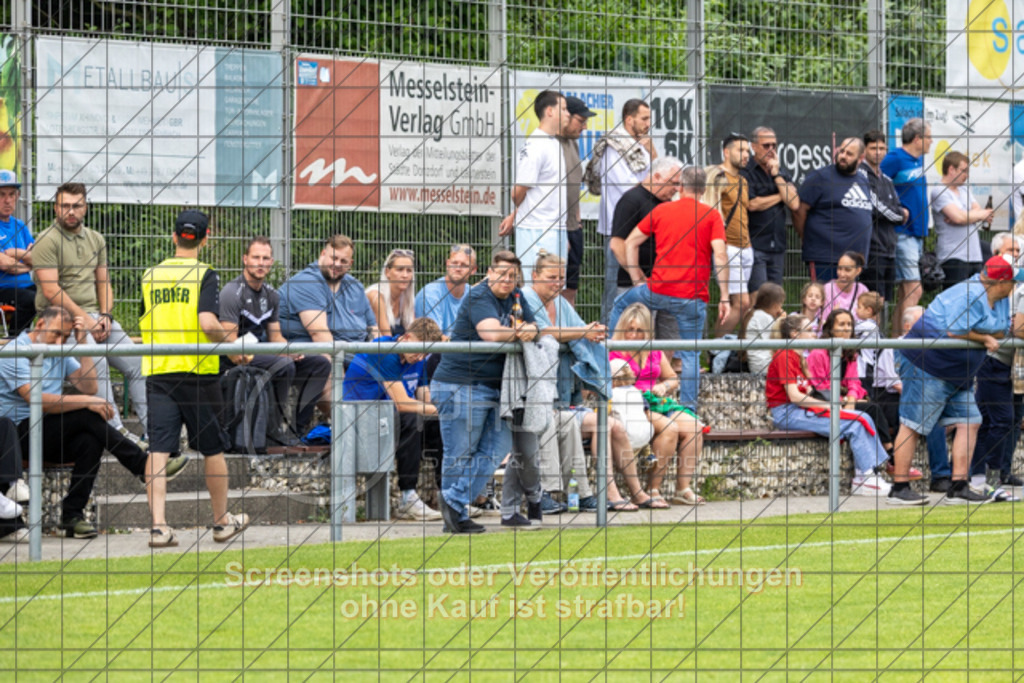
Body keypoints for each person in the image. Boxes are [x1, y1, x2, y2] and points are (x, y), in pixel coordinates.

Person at [0, 306, 168, 539]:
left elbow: (89, 386)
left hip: (47, 431)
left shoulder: (58, 350)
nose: (60, 342)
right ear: (40, 325)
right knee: (87, 415)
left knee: (90, 440)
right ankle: (142, 465)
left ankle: (72, 515)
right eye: (56, 334)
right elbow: (36, 399)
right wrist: (88, 402)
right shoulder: (16, 351)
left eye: (65, 336)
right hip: (15, 438)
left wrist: (82, 343)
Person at [141, 210, 249, 547]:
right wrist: (232, 344)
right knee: (212, 448)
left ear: (174, 237)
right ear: (206, 239)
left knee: (159, 449)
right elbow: (207, 323)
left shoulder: (150, 275)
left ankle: (159, 527)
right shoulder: (205, 274)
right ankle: (221, 522)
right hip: (197, 373)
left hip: (159, 371)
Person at [522, 250, 660, 512]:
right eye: (551, 277)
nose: (557, 283)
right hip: (537, 397)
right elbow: (543, 333)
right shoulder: (526, 298)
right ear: (534, 276)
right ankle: (607, 494)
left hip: (563, 398)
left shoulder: (561, 303)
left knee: (614, 426)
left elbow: (579, 331)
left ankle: (636, 492)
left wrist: (592, 332)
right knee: (601, 424)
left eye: (561, 278)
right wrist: (583, 333)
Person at [888, 254, 1020, 506]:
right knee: (913, 424)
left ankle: (959, 487)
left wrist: (979, 332)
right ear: (1001, 282)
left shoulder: (1000, 299)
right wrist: (984, 337)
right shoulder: (969, 294)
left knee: (971, 421)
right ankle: (899, 488)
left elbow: (1002, 330)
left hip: (958, 373)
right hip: (927, 364)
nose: (1015, 285)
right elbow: (954, 330)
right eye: (1013, 281)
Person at [430, 251, 539, 534]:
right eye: (501, 273)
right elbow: (490, 333)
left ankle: (454, 501)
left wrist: (529, 328)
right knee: (459, 453)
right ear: (489, 273)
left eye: (512, 276)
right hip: (460, 384)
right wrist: (521, 331)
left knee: (498, 447)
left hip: (494, 389)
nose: (507, 279)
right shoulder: (479, 296)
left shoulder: (516, 297)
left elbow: (534, 325)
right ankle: (455, 517)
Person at [31, 182, 147, 443]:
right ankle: (118, 434)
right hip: (61, 320)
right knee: (97, 363)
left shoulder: (96, 238)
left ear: (85, 208)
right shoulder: (46, 240)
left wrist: (105, 316)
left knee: (139, 363)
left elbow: (104, 282)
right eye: (65, 206)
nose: (71, 211)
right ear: (55, 208)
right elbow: (50, 290)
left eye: (77, 206)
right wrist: (84, 320)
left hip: (97, 318)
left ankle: (156, 433)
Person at [612, 165, 729, 411]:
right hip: (692, 297)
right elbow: (720, 255)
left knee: (620, 304)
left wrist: (636, 276)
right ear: (704, 189)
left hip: (657, 290)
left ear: (681, 186)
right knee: (690, 354)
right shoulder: (712, 216)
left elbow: (630, 242)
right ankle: (689, 411)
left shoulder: (662, 210)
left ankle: (611, 354)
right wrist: (725, 297)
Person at [219, 236, 330, 444]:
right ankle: (274, 431)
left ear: (271, 262)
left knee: (320, 364)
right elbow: (230, 343)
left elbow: (275, 336)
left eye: (265, 258)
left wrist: (290, 349)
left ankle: (296, 430)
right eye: (256, 257)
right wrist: (281, 355)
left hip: (261, 353)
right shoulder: (232, 292)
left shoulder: (272, 295)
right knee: (284, 364)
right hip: (235, 357)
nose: (260, 263)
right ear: (245, 259)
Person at [765, 314, 891, 497]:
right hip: (787, 413)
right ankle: (866, 476)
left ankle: (867, 473)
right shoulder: (784, 356)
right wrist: (828, 406)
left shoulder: (798, 358)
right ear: (794, 334)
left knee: (865, 416)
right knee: (855, 423)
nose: (814, 335)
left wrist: (831, 404)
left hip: (800, 410)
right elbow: (794, 396)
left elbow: (808, 392)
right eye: (809, 330)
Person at [342, 317, 445, 521]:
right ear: (406, 337)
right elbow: (402, 403)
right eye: (419, 349)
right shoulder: (385, 351)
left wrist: (446, 411)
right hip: (360, 420)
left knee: (438, 424)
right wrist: (441, 410)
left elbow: (425, 398)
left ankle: (449, 496)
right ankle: (407, 497)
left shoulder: (418, 360)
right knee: (412, 418)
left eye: (426, 353)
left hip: (387, 419)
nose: (420, 357)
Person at [610, 303, 705, 506]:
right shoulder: (613, 351)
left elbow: (672, 378)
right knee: (670, 429)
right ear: (622, 328)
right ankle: (653, 489)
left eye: (639, 331)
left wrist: (664, 386)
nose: (633, 336)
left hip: (657, 401)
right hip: (633, 405)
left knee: (695, 427)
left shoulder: (654, 351)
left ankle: (683, 489)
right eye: (629, 329)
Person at [585, 98, 656, 320]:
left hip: (643, 230)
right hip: (619, 231)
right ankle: (607, 336)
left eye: (649, 119)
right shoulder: (613, 147)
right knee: (615, 291)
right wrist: (652, 185)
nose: (648, 124)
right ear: (629, 119)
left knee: (642, 290)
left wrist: (652, 151)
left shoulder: (642, 146)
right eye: (644, 119)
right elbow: (631, 187)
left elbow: (658, 178)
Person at [608, 156, 685, 352]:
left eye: (679, 184)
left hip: (665, 285)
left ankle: (664, 370)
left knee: (668, 342)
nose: (677, 189)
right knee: (631, 345)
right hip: (635, 286)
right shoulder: (632, 200)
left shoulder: (668, 204)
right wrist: (638, 277)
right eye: (673, 183)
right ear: (656, 176)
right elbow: (617, 244)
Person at [498, 90, 571, 283]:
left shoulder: (554, 143)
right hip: (536, 230)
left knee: (555, 287)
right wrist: (519, 214)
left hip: (555, 229)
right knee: (536, 288)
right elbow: (518, 192)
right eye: (563, 109)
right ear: (550, 111)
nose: (568, 114)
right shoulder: (535, 145)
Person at [793, 138, 873, 283]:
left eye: (849, 154)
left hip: (854, 261)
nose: (843, 156)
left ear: (861, 158)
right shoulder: (820, 177)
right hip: (825, 257)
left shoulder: (863, 180)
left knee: (849, 298)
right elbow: (799, 210)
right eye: (841, 151)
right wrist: (807, 238)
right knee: (824, 297)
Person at [882, 118, 932, 333]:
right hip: (902, 232)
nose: (931, 142)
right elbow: (875, 186)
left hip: (917, 232)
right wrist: (896, 210)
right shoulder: (894, 158)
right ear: (917, 138)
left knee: (905, 293)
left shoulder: (917, 161)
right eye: (929, 137)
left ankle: (895, 343)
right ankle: (907, 342)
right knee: (914, 289)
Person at [278, 234, 377, 343]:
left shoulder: (356, 286)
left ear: (350, 264)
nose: (337, 264)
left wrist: (376, 350)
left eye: (343, 261)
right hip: (321, 351)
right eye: (334, 258)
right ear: (323, 254)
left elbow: (373, 328)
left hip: (359, 349)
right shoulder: (306, 282)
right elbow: (319, 335)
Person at [704, 133, 752, 336]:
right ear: (726, 152)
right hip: (727, 246)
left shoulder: (742, 180)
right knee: (742, 303)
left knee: (741, 304)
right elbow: (708, 208)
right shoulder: (716, 176)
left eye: (747, 151)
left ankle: (723, 347)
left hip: (746, 246)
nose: (746, 155)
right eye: (740, 150)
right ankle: (716, 348)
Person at [741, 127, 800, 292]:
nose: (771, 150)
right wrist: (782, 195)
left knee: (775, 297)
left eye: (774, 145)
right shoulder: (746, 172)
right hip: (755, 244)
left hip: (777, 246)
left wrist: (776, 175)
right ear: (754, 146)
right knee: (759, 296)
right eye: (766, 145)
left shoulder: (780, 171)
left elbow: (794, 203)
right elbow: (752, 204)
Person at [860, 130, 908, 304]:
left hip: (889, 249)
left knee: (885, 301)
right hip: (872, 250)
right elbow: (876, 207)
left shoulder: (887, 179)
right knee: (872, 301)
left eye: (881, 148)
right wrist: (900, 215)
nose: (878, 152)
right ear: (864, 150)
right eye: (873, 148)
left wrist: (899, 213)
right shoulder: (861, 175)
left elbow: (896, 206)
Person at [932, 151, 993, 287]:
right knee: (956, 297)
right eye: (964, 171)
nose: (967, 175)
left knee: (976, 296)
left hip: (975, 255)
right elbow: (959, 217)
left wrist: (965, 216)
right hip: (954, 256)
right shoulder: (939, 191)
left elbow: (978, 211)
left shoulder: (965, 190)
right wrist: (966, 216)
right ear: (951, 169)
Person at [560, 95, 596, 306]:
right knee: (553, 288)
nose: (585, 126)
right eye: (581, 121)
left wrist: (577, 218)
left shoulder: (573, 143)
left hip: (574, 227)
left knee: (571, 289)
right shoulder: (549, 144)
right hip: (557, 228)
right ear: (565, 116)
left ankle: (569, 325)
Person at [414, 244, 477, 338]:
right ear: (447, 264)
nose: (458, 268)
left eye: (464, 265)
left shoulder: (474, 295)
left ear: (473, 270)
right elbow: (435, 338)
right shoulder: (430, 294)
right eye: (454, 263)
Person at [0, 170, 35, 336]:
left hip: (26, 288)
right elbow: (5, 265)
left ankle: (43, 344)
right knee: (32, 300)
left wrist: (15, 253)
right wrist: (27, 263)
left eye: (11, 194)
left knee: (55, 297)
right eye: (1, 195)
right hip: (3, 289)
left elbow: (39, 258)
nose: (7, 200)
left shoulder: (20, 225)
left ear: (17, 196)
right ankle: (14, 343)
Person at [366, 248, 416, 337]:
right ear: (387, 272)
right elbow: (387, 337)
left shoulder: (406, 298)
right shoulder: (376, 296)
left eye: (409, 270)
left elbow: (413, 334)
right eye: (399, 270)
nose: (405, 275)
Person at [740, 282, 786, 375]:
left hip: (760, 363)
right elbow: (776, 342)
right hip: (763, 365)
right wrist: (782, 321)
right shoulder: (764, 317)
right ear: (775, 305)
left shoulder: (754, 313)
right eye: (781, 304)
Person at [822, 251, 869, 322]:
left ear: (858, 271)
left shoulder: (863, 290)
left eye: (847, 270)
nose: (842, 274)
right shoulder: (827, 289)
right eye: (839, 269)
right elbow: (824, 323)